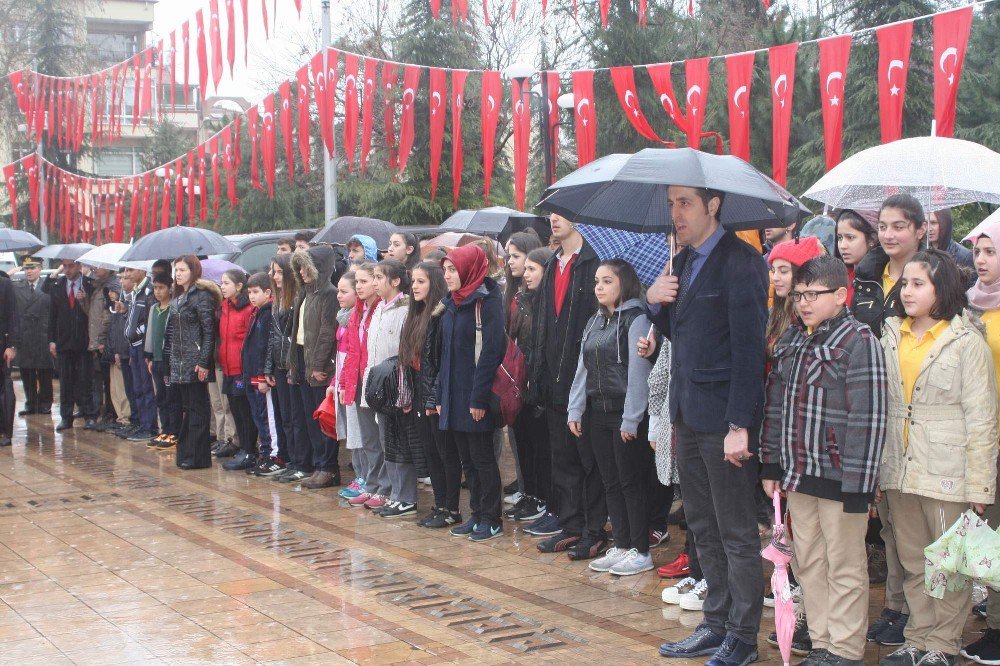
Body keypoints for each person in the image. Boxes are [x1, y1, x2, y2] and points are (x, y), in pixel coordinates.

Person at [646, 186, 768, 666]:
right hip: (687, 414)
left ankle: (743, 636)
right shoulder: (684, 261)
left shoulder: (741, 261)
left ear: (712, 205)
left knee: (736, 530)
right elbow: (687, 334)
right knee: (701, 526)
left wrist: (740, 423)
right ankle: (715, 624)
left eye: (685, 203)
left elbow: (748, 349)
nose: (675, 212)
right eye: (672, 203)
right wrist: (656, 300)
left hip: (724, 419)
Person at [761, 256, 888, 666]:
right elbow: (775, 407)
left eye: (813, 295)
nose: (803, 303)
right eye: (798, 295)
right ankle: (822, 641)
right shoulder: (794, 340)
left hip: (840, 477)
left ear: (840, 294)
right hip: (799, 474)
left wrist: (860, 486)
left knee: (845, 564)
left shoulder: (859, 341)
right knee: (809, 562)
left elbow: (868, 418)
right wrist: (771, 465)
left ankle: (846, 648)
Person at [877, 250, 998, 666]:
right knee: (912, 560)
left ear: (940, 288)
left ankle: (942, 645)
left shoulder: (966, 343)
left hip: (948, 472)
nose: (907, 291)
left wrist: (980, 485)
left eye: (918, 284)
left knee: (947, 564)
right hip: (899, 467)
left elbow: (982, 419)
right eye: (904, 283)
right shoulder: (891, 335)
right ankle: (918, 637)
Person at [856, 194, 929, 647]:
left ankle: (919, 620)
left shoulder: (933, 277)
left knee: (916, 531)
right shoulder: (867, 277)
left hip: (914, 415)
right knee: (889, 524)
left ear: (920, 230)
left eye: (899, 226)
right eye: (883, 225)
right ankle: (895, 607)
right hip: (874, 408)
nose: (888, 234)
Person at [568, 259, 657, 576]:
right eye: (596, 282)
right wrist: (575, 408)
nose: (599, 287)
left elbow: (637, 374)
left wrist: (631, 419)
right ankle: (621, 544)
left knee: (630, 481)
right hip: (598, 410)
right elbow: (582, 368)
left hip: (624, 411)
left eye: (607, 281)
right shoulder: (594, 321)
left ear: (624, 284)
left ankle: (640, 550)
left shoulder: (636, 319)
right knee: (609, 481)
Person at [526, 212, 606, 558]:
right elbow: (543, 324)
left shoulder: (592, 263)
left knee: (589, 460)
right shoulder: (554, 263)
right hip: (553, 380)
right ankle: (571, 525)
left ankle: (594, 529)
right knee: (563, 459)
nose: (554, 219)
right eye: (551, 213)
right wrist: (537, 372)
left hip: (586, 380)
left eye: (563, 213)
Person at [438, 245, 506, 542]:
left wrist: (478, 398)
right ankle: (476, 513)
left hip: (475, 393)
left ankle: (491, 518)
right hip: (454, 393)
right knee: (466, 459)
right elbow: (444, 354)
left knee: (482, 457)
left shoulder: (487, 301)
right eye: (446, 270)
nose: (448, 275)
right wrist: (441, 396)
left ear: (468, 269)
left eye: (453, 270)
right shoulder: (452, 302)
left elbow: (491, 352)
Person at [961, 220, 1000, 665]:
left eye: (991, 252)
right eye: (979, 251)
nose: (982, 260)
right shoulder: (969, 306)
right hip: (979, 435)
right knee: (987, 534)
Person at [404, 261, 464, 528]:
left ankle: (451, 508)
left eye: (421, 281)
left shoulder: (439, 315)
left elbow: (441, 362)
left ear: (434, 283)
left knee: (445, 452)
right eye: (413, 281)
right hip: (418, 388)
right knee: (429, 451)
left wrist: (433, 398)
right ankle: (439, 504)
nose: (415, 286)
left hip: (436, 393)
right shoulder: (415, 313)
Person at [367, 260, 422, 517]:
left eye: (380, 277)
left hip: (398, 385)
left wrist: (403, 388)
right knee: (386, 440)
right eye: (374, 277)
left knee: (401, 442)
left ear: (396, 280)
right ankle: (394, 493)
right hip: (380, 386)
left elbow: (405, 351)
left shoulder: (405, 309)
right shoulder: (378, 308)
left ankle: (406, 496)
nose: (375, 282)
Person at [505, 237, 551, 524]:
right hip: (521, 382)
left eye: (533, 268)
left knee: (541, 447)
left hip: (542, 386)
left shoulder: (546, 304)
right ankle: (530, 493)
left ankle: (543, 498)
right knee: (524, 445)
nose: (526, 272)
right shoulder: (520, 298)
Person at [289, 245, 340, 488]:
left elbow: (328, 332)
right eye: (299, 267)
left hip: (319, 364)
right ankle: (319, 464)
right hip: (302, 358)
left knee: (323, 419)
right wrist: (294, 365)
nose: (301, 272)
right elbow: (296, 332)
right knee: (310, 418)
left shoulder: (329, 294)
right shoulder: (304, 293)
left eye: (305, 266)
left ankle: (328, 467)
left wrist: (319, 364)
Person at [169, 256, 219, 470]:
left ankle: (198, 457)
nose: (178, 274)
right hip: (179, 360)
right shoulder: (179, 297)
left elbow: (209, 331)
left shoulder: (202, 296)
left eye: (182, 270)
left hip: (196, 361)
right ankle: (186, 453)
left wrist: (203, 361)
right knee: (187, 409)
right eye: (176, 270)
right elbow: (173, 332)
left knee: (198, 409)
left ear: (193, 271)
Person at [340, 264, 385, 502]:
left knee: (380, 439)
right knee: (367, 439)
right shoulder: (358, 310)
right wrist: (345, 384)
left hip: (375, 382)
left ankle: (384, 488)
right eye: (356, 282)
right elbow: (351, 350)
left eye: (364, 281)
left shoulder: (380, 309)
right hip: (358, 381)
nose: (359, 286)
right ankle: (372, 484)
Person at [48, 259, 97, 431]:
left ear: (78, 266)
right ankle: (66, 417)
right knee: (66, 382)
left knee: (86, 380)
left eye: (71, 266)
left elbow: (95, 312)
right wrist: (52, 340)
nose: (67, 270)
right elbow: (52, 316)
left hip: (84, 341)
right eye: (65, 266)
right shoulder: (57, 286)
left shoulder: (90, 285)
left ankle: (90, 414)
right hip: (64, 342)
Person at [218, 269, 258, 472]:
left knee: (245, 412)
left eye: (226, 283)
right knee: (235, 410)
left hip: (241, 368)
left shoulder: (247, 308)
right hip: (227, 366)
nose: (222, 287)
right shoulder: (225, 306)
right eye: (221, 283)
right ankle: (242, 446)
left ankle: (250, 450)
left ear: (239, 286)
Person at [265, 255, 299, 480]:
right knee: (284, 416)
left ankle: (299, 461)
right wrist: (268, 366)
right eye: (272, 271)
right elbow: (272, 336)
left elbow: (293, 336)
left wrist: (290, 364)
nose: (273, 276)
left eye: (278, 272)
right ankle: (289, 459)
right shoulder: (277, 301)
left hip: (290, 364)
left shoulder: (295, 299)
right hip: (278, 363)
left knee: (295, 417)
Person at [243, 272, 279, 476]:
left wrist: (261, 375)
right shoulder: (257, 312)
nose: (251, 296)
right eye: (249, 292)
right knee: (259, 416)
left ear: (267, 292)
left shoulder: (267, 313)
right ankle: (266, 452)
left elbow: (265, 348)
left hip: (261, 377)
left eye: (255, 292)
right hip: (252, 375)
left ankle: (273, 454)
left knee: (268, 418)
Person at [334, 272, 364, 497]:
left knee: (361, 432)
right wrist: (336, 381)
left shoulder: (358, 316)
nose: (339, 295)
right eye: (338, 290)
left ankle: (365, 477)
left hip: (355, 376)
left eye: (344, 291)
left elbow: (353, 351)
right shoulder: (343, 316)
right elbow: (340, 354)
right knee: (352, 431)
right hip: (344, 375)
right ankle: (360, 475)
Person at [13, 257, 53, 417]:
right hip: (25, 334)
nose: (28, 271)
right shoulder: (18, 287)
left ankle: (45, 403)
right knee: (26, 371)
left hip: (42, 333)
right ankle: (31, 403)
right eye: (26, 268)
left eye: (32, 268)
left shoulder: (48, 285)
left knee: (44, 372)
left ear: (40, 269)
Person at [146, 271, 180, 451]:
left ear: (170, 288)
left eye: (161, 288)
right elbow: (151, 334)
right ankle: (164, 429)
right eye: (155, 288)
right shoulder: (154, 309)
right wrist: (149, 356)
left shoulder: (173, 308)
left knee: (171, 396)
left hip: (169, 361)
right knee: (160, 396)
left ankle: (174, 431)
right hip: (157, 360)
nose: (158, 292)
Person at [124, 267, 158, 442]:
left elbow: (148, 320)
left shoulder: (148, 291)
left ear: (142, 270)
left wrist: (137, 333)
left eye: (130, 270)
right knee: (137, 387)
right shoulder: (136, 292)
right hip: (134, 346)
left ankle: (149, 426)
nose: (127, 274)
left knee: (146, 387)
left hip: (142, 345)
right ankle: (142, 423)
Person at [86, 266, 116, 427]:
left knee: (108, 381)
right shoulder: (97, 287)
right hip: (97, 342)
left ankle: (110, 415)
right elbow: (93, 316)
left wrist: (103, 340)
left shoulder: (111, 286)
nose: (95, 269)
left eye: (99, 266)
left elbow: (108, 317)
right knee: (99, 379)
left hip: (104, 343)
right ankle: (101, 413)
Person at [105, 275, 134, 436]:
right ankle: (121, 418)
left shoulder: (125, 305)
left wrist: (119, 350)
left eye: (112, 290)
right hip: (116, 350)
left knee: (124, 389)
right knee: (116, 390)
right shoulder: (116, 307)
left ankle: (126, 419)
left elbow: (122, 330)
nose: (109, 293)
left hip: (123, 351)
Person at [835, 210, 878, 305]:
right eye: (840, 238)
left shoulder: (879, 281)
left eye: (850, 237)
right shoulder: (838, 277)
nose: (842, 246)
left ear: (872, 239)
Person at [0, 267, 18, 447]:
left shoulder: (5, 284)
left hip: (2, 346)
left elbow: (13, 316)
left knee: (4, 391)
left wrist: (11, 345)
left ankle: (5, 431)